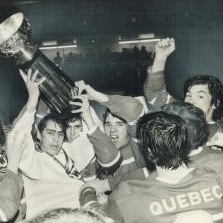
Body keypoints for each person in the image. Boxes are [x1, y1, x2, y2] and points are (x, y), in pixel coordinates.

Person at [11, 69, 121, 218]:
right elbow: (17, 136)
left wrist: (86, 114)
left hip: (80, 214)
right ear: (38, 134)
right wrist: (33, 99)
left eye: (60, 134)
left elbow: (111, 157)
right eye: (50, 133)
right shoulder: (32, 159)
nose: (56, 139)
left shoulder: (65, 152)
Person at [83, 112, 223, 223]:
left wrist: (86, 193)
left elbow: (93, 218)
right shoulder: (217, 176)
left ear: (148, 152)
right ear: (185, 143)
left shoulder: (126, 196)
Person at [144, 38, 223, 148]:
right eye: (188, 95)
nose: (191, 101)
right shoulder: (180, 111)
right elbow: (155, 93)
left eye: (200, 96)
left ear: (215, 103)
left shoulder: (219, 136)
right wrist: (161, 58)